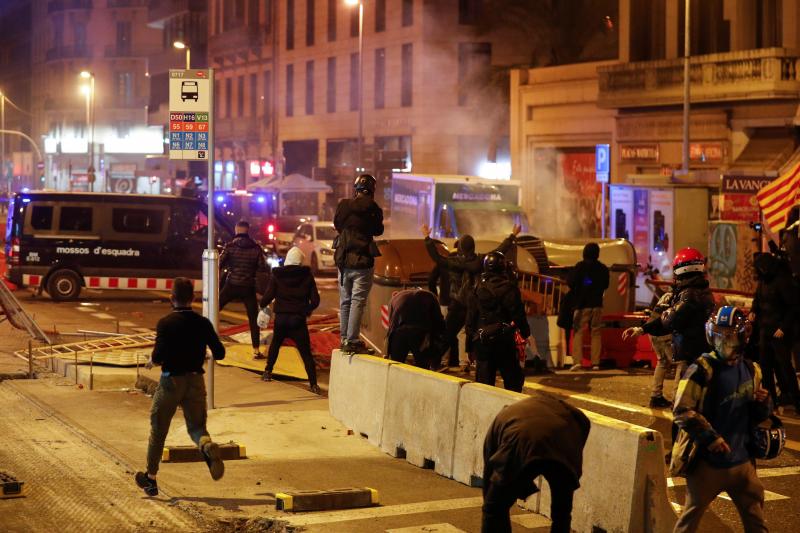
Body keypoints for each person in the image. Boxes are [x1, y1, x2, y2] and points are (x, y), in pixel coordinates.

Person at [670, 306, 772, 533]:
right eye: (718, 336)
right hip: (708, 463)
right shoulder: (700, 369)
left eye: (729, 337)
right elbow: (681, 410)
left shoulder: (752, 370)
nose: (723, 342)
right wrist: (711, 438)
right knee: (690, 520)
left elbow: (759, 415)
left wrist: (763, 403)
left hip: (743, 462)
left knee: (756, 521)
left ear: (743, 337)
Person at [135, 277, 227, 497]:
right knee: (197, 428)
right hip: (196, 381)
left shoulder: (166, 323)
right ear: (192, 298)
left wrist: (152, 360)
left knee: (158, 430)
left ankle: (151, 479)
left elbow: (158, 355)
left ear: (171, 298)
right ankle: (206, 446)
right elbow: (221, 353)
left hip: (171, 382)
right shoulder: (203, 323)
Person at [482, 394, 591, 533]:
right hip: (563, 443)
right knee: (562, 513)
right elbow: (584, 425)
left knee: (494, 508)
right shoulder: (571, 413)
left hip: (523, 441)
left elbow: (491, 470)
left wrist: (491, 501)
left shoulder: (503, 417)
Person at [422, 224, 521, 373]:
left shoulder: (455, 262)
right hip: (475, 304)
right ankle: (480, 364)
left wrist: (427, 239)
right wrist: (512, 236)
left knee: (446, 335)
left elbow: (437, 258)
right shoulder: (482, 260)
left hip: (458, 305)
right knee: (479, 334)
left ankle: (434, 363)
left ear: (460, 248)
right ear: (473, 247)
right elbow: (500, 250)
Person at [623, 247, 715, 385]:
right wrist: (642, 329)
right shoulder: (704, 291)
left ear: (681, 269)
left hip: (690, 352)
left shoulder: (688, 294)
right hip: (701, 349)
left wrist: (643, 329)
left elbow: (669, 321)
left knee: (683, 397)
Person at [333, 174, 384, 354]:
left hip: (344, 259)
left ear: (355, 188)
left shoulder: (343, 205)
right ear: (372, 190)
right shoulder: (374, 209)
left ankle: (344, 338)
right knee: (357, 301)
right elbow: (378, 230)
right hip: (363, 261)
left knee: (345, 301)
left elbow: (337, 224)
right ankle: (352, 340)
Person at [466, 251, 530, 392]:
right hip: (504, 342)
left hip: (482, 342)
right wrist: (525, 333)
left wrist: (469, 348)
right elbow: (518, 316)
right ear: (503, 267)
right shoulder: (509, 289)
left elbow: (470, 321)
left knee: (483, 389)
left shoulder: (476, 289)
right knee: (513, 385)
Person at [260, 247, 321, 394]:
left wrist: (263, 305)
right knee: (305, 353)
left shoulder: (277, 275)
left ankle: (268, 371)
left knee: (275, 345)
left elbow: (267, 297)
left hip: (281, 318)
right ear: (300, 261)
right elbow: (315, 300)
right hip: (298, 320)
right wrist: (305, 310)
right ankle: (313, 384)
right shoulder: (307, 276)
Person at [749, 251, 800, 412]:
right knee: (765, 366)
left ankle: (796, 400)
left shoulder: (782, 281)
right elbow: (757, 300)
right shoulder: (763, 282)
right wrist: (753, 311)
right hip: (765, 329)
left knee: (785, 367)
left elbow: (793, 307)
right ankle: (770, 401)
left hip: (779, 332)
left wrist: (783, 328)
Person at [220, 220, 268, 358]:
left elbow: (220, 263)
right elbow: (262, 267)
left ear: (236, 229)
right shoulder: (256, 248)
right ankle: (256, 350)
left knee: (213, 309)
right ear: (248, 230)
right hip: (248, 286)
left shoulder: (229, 246)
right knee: (253, 318)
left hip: (232, 284)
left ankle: (203, 342)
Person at [568, 242, 609, 371]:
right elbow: (606, 285)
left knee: (578, 331)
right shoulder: (603, 268)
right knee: (596, 332)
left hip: (582, 305)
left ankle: (577, 362)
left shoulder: (580, 267)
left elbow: (571, 282)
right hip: (597, 304)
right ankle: (595, 363)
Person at [386, 288, 447, 369]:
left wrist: (388, 351)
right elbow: (438, 321)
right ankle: (433, 366)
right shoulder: (430, 295)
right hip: (420, 332)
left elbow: (391, 325)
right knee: (422, 367)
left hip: (399, 333)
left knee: (396, 366)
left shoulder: (395, 298)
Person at [646, 291, 676, 408]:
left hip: (653, 330)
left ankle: (656, 396)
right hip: (664, 333)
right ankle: (678, 400)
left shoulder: (667, 294)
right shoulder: (684, 296)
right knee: (681, 364)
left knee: (662, 362)